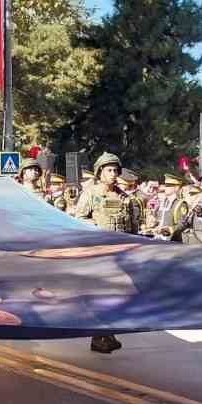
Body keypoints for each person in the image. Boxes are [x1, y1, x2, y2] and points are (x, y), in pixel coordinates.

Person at [70, 152, 143, 354]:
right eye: (109, 170)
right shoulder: (91, 194)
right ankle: (98, 337)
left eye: (115, 170)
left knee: (118, 296)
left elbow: (133, 226)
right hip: (100, 254)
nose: (113, 174)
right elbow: (78, 219)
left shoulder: (125, 197)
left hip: (121, 254)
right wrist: (92, 227)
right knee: (101, 296)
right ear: (100, 172)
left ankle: (107, 334)